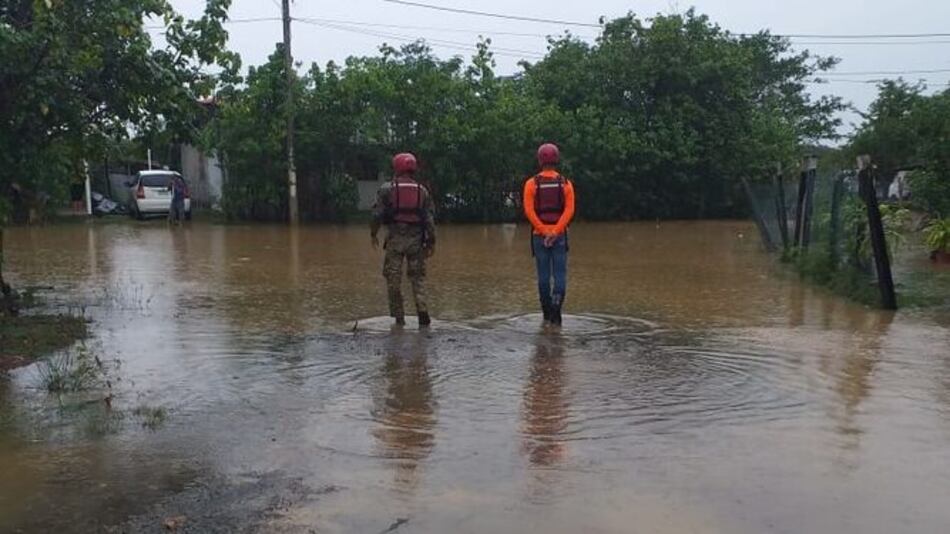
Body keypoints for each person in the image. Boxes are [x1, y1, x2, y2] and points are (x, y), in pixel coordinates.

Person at [371, 153, 437, 327]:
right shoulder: (422, 191)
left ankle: (399, 319)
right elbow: (429, 220)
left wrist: (373, 234)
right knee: (418, 278)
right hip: (417, 241)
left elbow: (377, 215)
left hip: (395, 240)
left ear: (396, 168)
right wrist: (431, 242)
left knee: (393, 278)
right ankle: (423, 312)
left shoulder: (387, 189)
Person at [523, 143, 575, 326]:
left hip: (539, 236)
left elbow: (529, 211)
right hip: (559, 236)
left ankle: (546, 316)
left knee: (543, 277)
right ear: (557, 159)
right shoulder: (566, 183)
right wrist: (555, 231)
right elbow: (569, 211)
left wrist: (545, 231)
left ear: (539, 160)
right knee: (560, 275)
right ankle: (556, 310)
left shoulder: (531, 184)